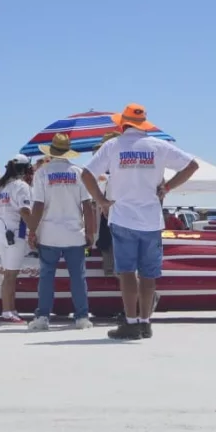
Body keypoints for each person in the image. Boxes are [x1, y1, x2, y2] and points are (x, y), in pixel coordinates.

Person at [82, 104, 199, 340]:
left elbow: (86, 174)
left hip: (122, 217)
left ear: (122, 124)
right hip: (152, 220)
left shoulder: (112, 146)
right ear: (144, 124)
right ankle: (145, 322)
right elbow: (192, 165)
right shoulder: (158, 146)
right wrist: (167, 187)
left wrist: (102, 201)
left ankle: (131, 323)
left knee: (126, 273)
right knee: (148, 275)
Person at [27, 132, 96, 331]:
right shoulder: (79, 172)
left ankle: (42, 317)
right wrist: (90, 232)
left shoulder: (42, 173)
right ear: (68, 152)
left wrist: (32, 231)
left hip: (49, 233)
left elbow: (38, 205)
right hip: (75, 233)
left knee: (47, 276)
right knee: (78, 277)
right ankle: (82, 317)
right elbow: (87, 206)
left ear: (52, 150)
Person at [0, 156, 35, 323]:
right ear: (25, 169)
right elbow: (25, 211)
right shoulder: (21, 186)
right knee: (10, 275)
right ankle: (7, 311)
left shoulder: (0, 187)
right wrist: (34, 231)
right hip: (15, 233)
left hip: (0, 232)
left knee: (8, 273)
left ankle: (10, 309)